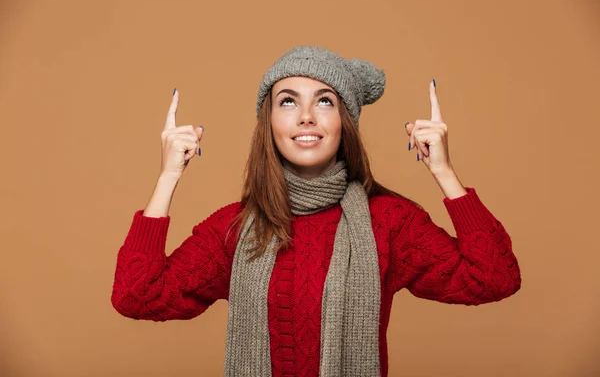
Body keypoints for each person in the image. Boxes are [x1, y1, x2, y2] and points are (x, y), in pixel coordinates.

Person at [111, 45, 521, 377]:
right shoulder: (235, 229)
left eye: (324, 101)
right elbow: (136, 296)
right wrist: (167, 176)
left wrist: (444, 171)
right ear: (269, 122)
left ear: (345, 121)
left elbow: (494, 278)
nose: (306, 115)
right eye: (288, 101)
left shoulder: (388, 223)